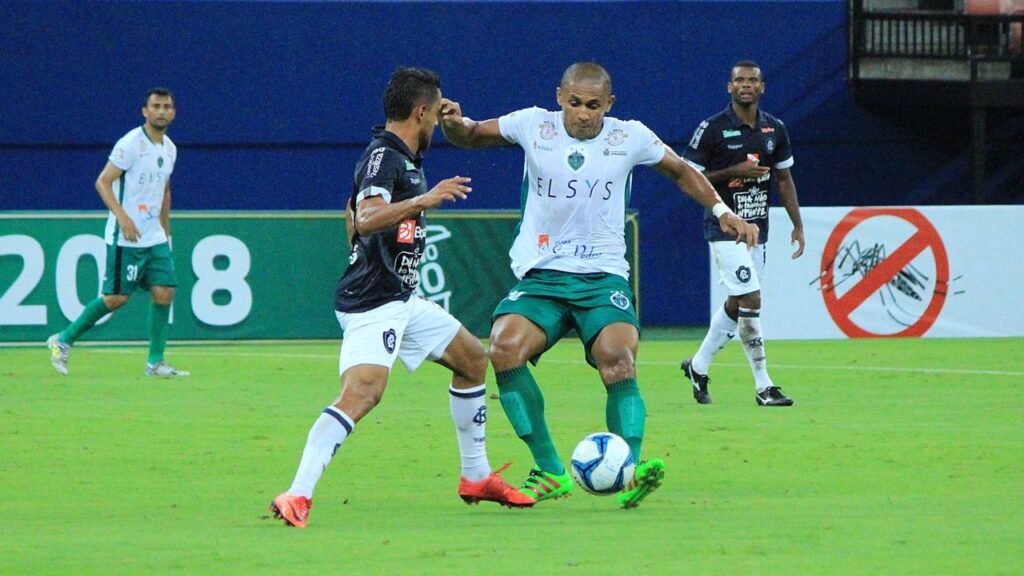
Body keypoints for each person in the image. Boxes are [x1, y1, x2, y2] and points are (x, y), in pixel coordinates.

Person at [439, 62, 759, 508]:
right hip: (542, 276)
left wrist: (723, 212)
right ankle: (550, 469)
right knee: (504, 348)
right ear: (559, 97)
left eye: (593, 105)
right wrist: (453, 123)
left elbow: (683, 172)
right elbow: (470, 134)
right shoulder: (533, 124)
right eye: (574, 103)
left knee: (618, 358)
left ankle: (629, 471)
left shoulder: (629, 136)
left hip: (603, 277)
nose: (583, 114)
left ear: (609, 104)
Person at [269, 67, 533, 529]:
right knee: (363, 393)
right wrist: (423, 201)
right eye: (434, 114)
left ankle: (476, 476)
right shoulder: (384, 157)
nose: (436, 124)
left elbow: (351, 213)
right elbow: (368, 216)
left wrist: (452, 117)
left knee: (473, 359)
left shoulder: (403, 155)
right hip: (374, 302)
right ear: (420, 111)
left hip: (402, 298)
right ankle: (297, 494)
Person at [679, 60, 805, 407]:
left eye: (753, 80)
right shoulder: (712, 129)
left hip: (758, 230)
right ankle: (764, 387)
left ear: (762, 87)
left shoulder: (774, 129)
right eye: (739, 80)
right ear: (729, 87)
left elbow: (783, 178)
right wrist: (737, 171)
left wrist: (797, 224)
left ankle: (698, 366)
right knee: (751, 300)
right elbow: (690, 178)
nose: (746, 85)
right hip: (724, 230)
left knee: (738, 302)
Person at [46, 88, 189, 378]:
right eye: (156, 106)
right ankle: (63, 339)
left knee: (165, 291)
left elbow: (164, 191)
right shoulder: (131, 144)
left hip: (154, 236)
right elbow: (103, 181)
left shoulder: (170, 148)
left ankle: (155, 362)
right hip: (126, 237)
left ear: (173, 112)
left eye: (167, 106)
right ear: (145, 111)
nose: (161, 111)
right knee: (115, 299)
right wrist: (122, 218)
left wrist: (165, 230)